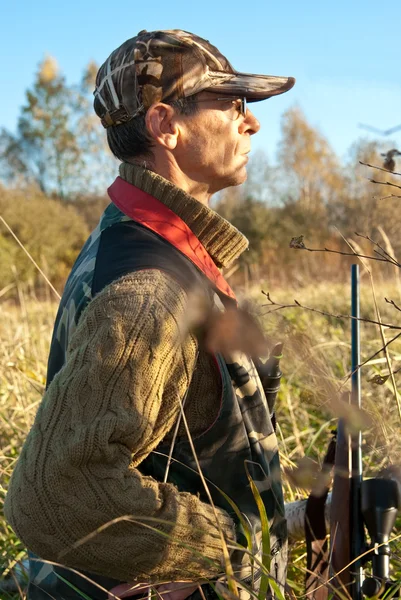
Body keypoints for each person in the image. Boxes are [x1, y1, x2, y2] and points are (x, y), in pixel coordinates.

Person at [4, 29, 295, 600]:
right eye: (232, 104)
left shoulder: (145, 243)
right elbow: (56, 490)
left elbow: (178, 457)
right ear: (166, 124)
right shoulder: (153, 287)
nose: (251, 122)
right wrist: (225, 552)